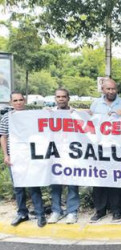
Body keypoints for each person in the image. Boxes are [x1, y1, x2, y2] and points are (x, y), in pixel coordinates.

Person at [89, 78, 121, 223]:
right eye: (108, 89)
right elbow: (89, 123)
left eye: (113, 89)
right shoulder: (95, 104)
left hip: (118, 149)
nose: (111, 91)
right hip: (100, 149)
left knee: (116, 179)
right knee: (99, 179)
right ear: (103, 89)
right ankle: (100, 210)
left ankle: (116, 211)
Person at [0, 92, 46, 227]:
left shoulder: (31, 116)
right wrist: (6, 155)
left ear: (24, 101)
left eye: (20, 100)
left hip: (30, 156)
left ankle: (40, 214)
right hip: (15, 157)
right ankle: (22, 213)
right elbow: (3, 136)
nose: (18, 102)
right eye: (15, 100)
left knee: (33, 185)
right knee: (18, 187)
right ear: (11, 103)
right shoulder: (6, 118)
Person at [46, 88, 80, 224]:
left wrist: (78, 114)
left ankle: (72, 212)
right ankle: (56, 211)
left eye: (63, 97)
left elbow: (91, 116)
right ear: (55, 99)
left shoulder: (75, 113)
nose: (61, 99)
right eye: (58, 97)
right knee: (55, 183)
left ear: (68, 98)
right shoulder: (49, 113)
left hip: (72, 153)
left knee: (72, 183)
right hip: (55, 153)